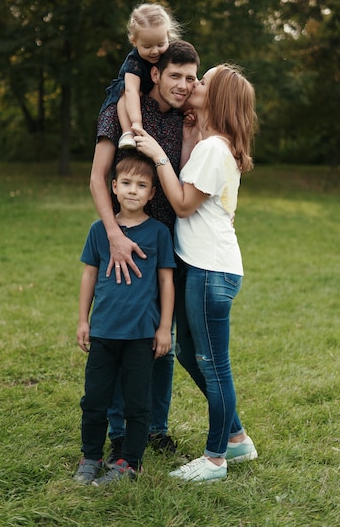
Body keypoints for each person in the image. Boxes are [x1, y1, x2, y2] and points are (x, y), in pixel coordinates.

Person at [135, 63, 258, 482]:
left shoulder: (214, 149)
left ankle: (215, 459)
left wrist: (156, 155)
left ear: (218, 97)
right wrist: (189, 134)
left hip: (211, 272)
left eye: (202, 81)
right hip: (205, 267)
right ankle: (237, 437)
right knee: (191, 354)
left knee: (213, 364)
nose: (193, 85)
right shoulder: (212, 145)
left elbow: (184, 204)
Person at [90, 40, 200, 463]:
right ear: (155, 73)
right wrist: (114, 235)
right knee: (121, 338)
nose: (183, 85)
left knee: (161, 343)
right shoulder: (120, 110)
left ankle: (155, 427)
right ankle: (118, 431)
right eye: (175, 75)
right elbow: (99, 179)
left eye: (190, 78)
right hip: (126, 244)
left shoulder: (188, 118)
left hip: (168, 246)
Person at [74, 152, 176, 486]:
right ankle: (91, 457)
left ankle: (130, 462)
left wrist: (163, 328)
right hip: (103, 331)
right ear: (113, 187)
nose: (133, 190)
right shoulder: (99, 230)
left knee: (137, 403)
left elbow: (165, 282)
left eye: (142, 185)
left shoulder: (159, 233)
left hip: (140, 335)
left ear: (152, 193)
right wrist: (83, 321)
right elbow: (88, 277)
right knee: (95, 400)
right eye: (127, 183)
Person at [99, 2, 182, 149]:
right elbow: (131, 91)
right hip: (129, 93)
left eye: (160, 44)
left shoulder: (169, 55)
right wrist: (136, 122)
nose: (155, 51)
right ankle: (127, 133)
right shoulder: (134, 61)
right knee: (125, 92)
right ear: (134, 41)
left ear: (167, 36)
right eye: (147, 46)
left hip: (152, 99)